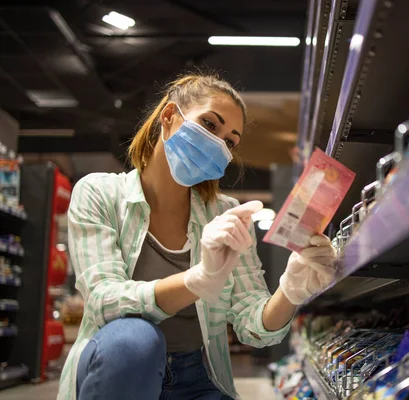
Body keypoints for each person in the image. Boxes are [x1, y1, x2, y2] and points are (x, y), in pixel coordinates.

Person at [58, 73, 336, 400]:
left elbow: (253, 326)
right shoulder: (99, 193)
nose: (219, 143)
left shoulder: (226, 215)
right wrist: (198, 280)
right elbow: (105, 301)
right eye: (209, 124)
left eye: (230, 141)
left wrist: (290, 290)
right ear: (169, 116)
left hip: (198, 377)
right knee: (134, 339)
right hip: (120, 368)